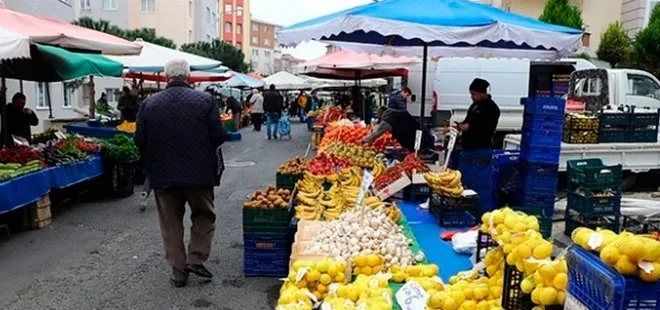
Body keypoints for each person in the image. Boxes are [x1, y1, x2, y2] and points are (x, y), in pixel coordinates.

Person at [134, 59, 228, 288]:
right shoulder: (205, 100)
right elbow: (219, 135)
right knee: (204, 215)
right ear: (188, 76)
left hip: (163, 175)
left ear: (166, 76)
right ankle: (196, 257)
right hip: (200, 174)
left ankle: (178, 273)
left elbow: (139, 140)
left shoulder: (150, 104)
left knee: (170, 223)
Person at [361, 106, 433, 152]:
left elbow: (374, 135)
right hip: (421, 132)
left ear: (382, 114)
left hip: (414, 140)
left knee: (419, 152)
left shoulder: (387, 120)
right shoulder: (397, 112)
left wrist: (363, 140)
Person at [456, 78, 500, 152]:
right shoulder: (475, 105)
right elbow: (468, 120)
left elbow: (488, 129)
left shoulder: (492, 108)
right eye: (471, 94)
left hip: (480, 149)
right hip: (467, 148)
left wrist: (469, 127)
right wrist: (460, 126)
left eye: (474, 94)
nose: (471, 97)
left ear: (482, 93)